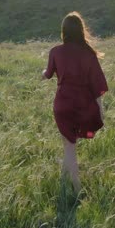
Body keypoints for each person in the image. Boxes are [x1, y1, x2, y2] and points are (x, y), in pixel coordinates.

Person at [42, 11, 108, 195]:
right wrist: (100, 109)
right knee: (70, 144)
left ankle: (76, 188)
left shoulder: (55, 51)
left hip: (63, 104)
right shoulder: (89, 54)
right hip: (83, 105)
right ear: (81, 30)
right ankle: (67, 180)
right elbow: (97, 85)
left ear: (64, 31)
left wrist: (42, 73)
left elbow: (47, 75)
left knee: (69, 145)